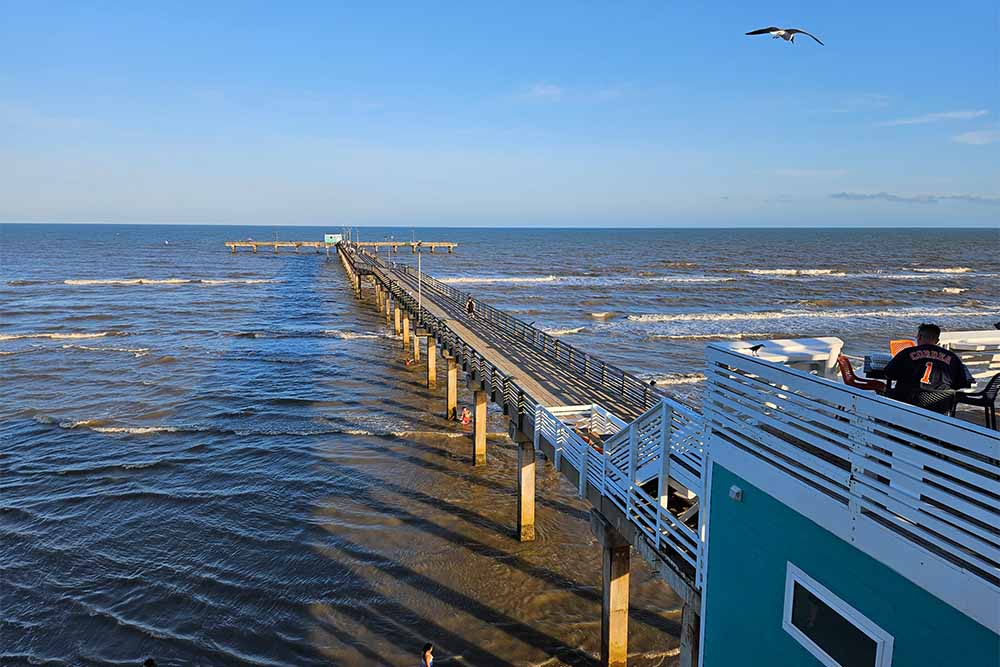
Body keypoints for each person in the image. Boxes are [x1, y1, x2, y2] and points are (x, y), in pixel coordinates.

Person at [883, 323, 972, 411]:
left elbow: (889, 374)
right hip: (940, 405)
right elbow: (962, 382)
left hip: (907, 402)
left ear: (919, 337)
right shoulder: (953, 358)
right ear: (937, 340)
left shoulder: (907, 353)